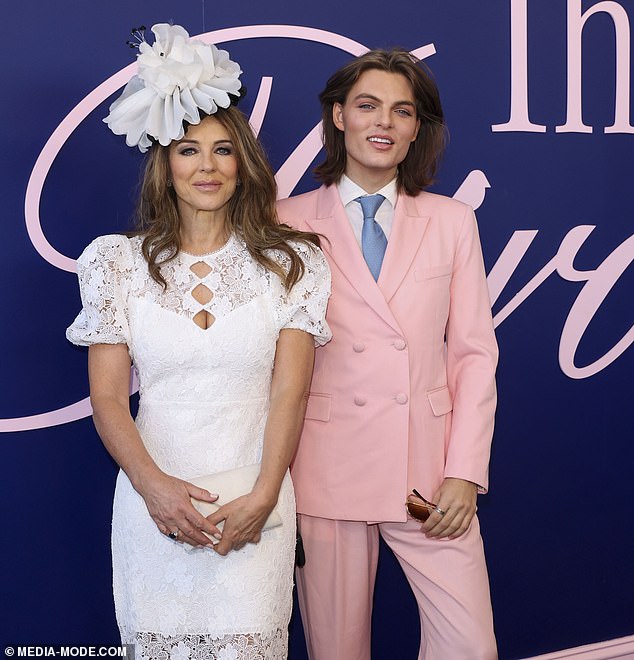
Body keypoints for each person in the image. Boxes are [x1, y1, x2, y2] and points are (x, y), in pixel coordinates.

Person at [66, 24, 330, 659]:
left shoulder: (294, 263)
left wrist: (266, 493)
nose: (206, 166)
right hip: (151, 502)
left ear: (243, 162)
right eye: (188, 150)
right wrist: (153, 487)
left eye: (222, 150)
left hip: (254, 499)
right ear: (165, 163)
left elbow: (290, 392)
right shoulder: (116, 263)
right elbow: (107, 400)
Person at [277, 48, 498, 659]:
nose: (384, 122)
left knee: (470, 645)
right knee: (336, 649)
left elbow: (475, 354)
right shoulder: (283, 221)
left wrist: (464, 472)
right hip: (325, 468)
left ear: (417, 127)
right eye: (368, 105)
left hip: (429, 477)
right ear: (339, 115)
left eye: (402, 111)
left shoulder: (452, 221)